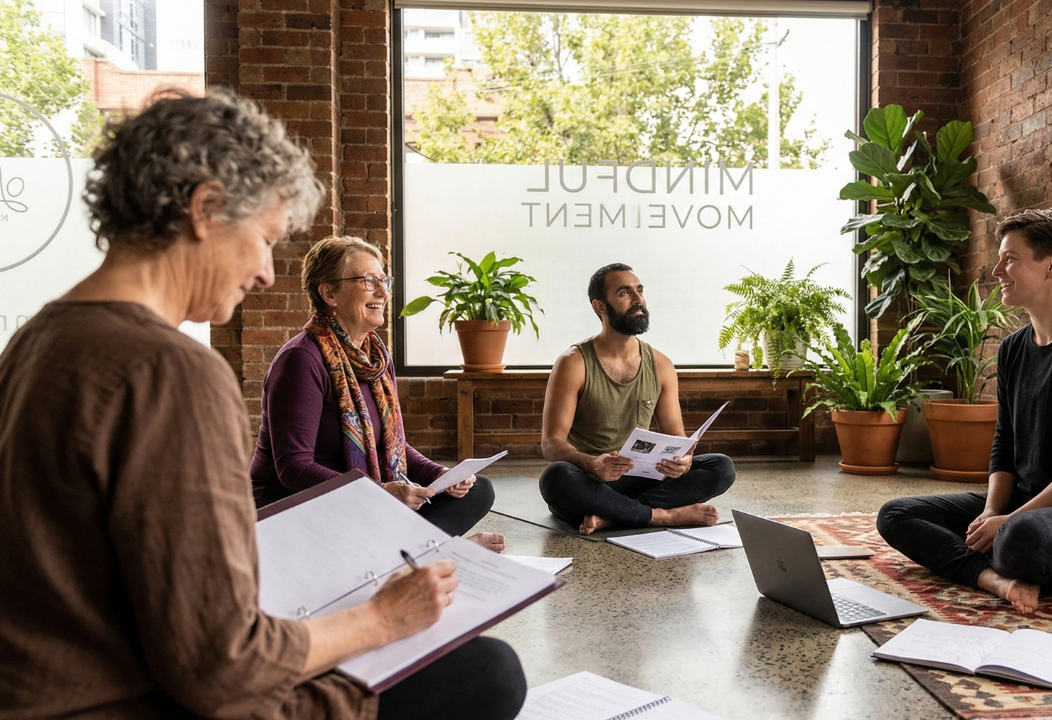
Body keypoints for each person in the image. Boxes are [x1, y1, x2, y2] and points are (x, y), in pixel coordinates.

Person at [0, 89, 525, 720]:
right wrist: (382, 617)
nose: (269, 274)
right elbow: (223, 666)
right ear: (207, 209)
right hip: (131, 697)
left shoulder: (34, 340)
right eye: (264, 239)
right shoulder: (172, 370)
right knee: (487, 671)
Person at [876, 208, 1052, 614]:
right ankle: (994, 580)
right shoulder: (1014, 348)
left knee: (1017, 540)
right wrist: (992, 511)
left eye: (1010, 258)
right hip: (1028, 500)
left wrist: (1008, 522)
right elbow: (1005, 441)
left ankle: (1002, 554)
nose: (996, 270)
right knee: (895, 515)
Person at [250, 235, 503, 549]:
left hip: (363, 502)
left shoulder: (375, 357)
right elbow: (293, 469)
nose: (383, 292)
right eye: (368, 281)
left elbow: (392, 445)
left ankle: (413, 551)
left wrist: (442, 475)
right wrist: (380, 492)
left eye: (384, 280)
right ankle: (442, 550)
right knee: (373, 527)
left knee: (479, 490)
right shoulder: (302, 359)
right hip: (303, 510)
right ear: (329, 292)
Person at [539, 263, 736, 535]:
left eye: (639, 291)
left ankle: (615, 516)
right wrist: (593, 464)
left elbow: (679, 441)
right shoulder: (573, 363)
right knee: (555, 478)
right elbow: (551, 443)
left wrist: (683, 462)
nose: (638, 299)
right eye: (624, 293)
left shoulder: (661, 364)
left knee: (721, 467)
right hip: (594, 481)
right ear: (600, 306)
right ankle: (663, 516)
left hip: (643, 478)